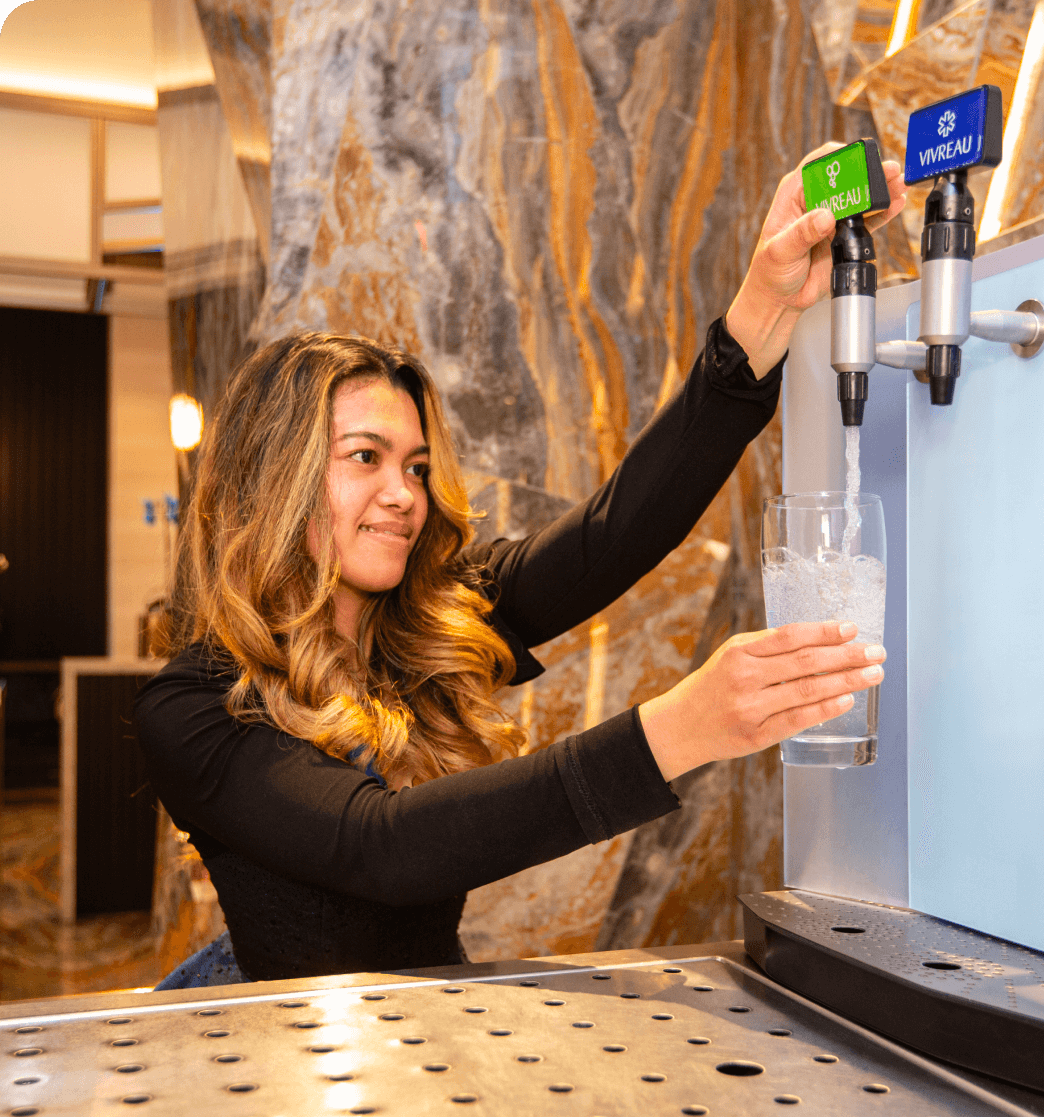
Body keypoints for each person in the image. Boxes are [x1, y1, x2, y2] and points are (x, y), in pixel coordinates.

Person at [137, 147, 907, 987]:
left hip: (432, 1022)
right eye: (367, 457)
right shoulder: (193, 703)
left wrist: (763, 303)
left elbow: (614, 535)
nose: (405, 495)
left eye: (419, 467)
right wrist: (680, 730)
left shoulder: (429, 623)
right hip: (290, 1053)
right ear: (275, 476)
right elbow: (382, 847)